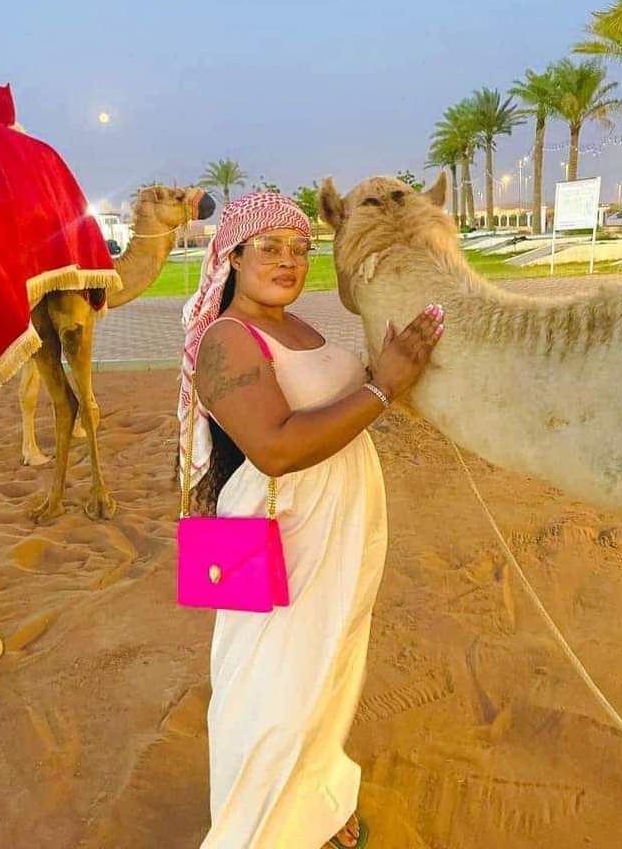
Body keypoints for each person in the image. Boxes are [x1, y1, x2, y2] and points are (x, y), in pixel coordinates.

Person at [177, 192, 444, 849]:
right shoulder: (227, 339)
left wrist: (384, 370)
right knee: (272, 690)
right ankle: (259, 830)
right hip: (280, 532)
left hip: (340, 521)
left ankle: (312, 804)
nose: (288, 260)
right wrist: (383, 386)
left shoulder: (300, 325)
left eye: (300, 248)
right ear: (232, 257)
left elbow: (334, 403)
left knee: (329, 671)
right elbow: (274, 448)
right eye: (269, 247)